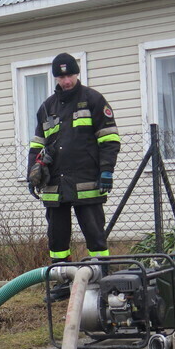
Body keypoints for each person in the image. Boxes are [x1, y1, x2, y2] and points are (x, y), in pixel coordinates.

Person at [27, 53, 121, 300]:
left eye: (69, 75)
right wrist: (31, 173)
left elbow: (109, 140)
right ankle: (62, 283)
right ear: (55, 77)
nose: (66, 80)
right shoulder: (46, 107)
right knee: (57, 238)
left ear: (77, 74)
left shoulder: (93, 100)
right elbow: (37, 144)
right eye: (61, 76)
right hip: (54, 184)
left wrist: (107, 171)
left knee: (95, 235)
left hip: (87, 181)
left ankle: (102, 280)